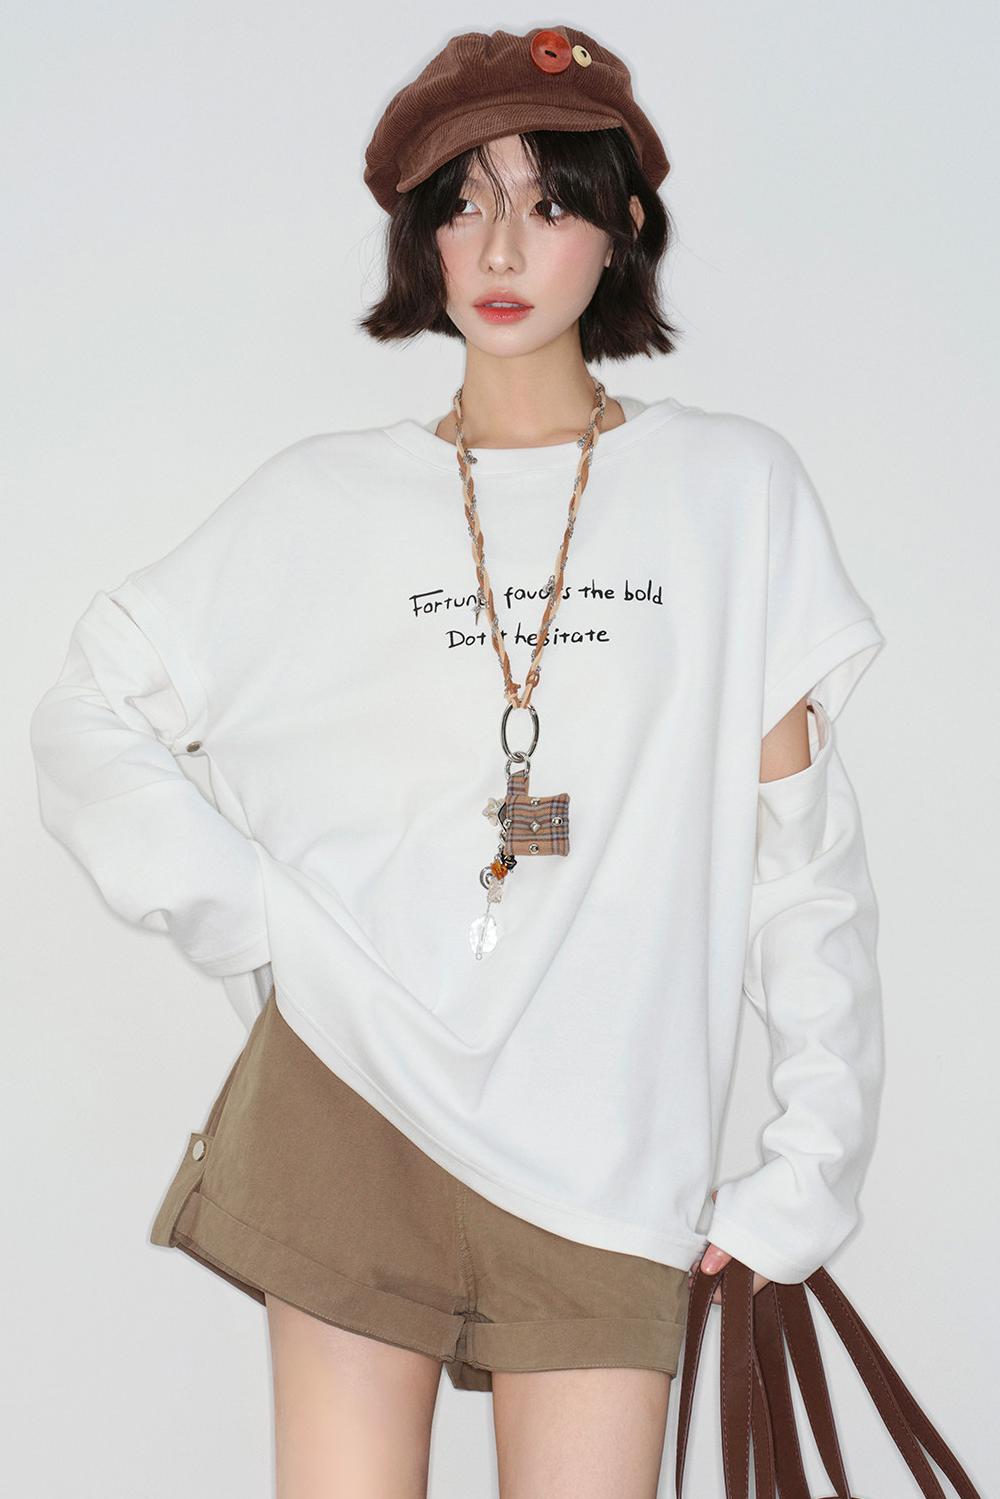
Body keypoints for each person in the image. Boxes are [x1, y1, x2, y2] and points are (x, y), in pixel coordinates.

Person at [27, 25, 886, 1499]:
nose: (500, 246)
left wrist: (813, 1160)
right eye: (464, 202)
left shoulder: (731, 495)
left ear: (622, 230)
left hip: (608, 1153)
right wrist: (252, 919)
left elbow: (802, 866)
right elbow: (84, 709)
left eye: (549, 202)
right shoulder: (320, 504)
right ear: (421, 235)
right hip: (348, 1106)